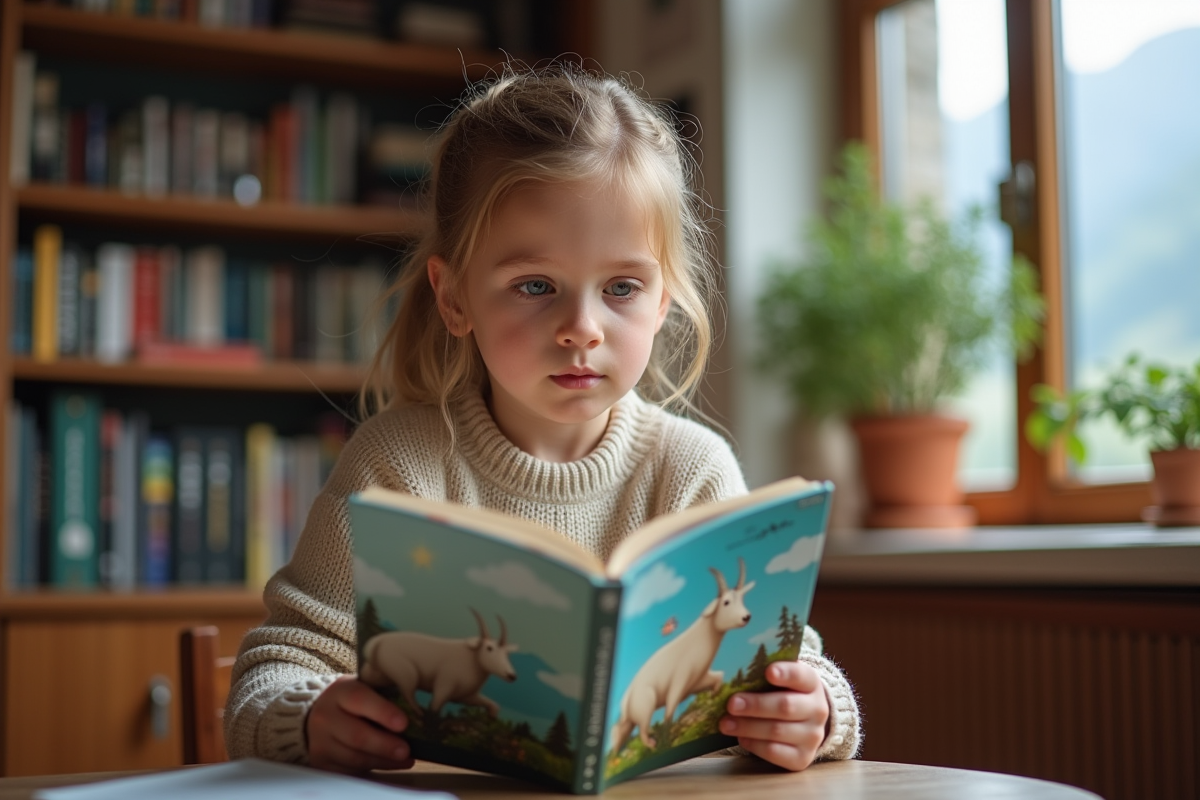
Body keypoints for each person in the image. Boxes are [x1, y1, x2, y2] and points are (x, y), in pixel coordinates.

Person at [225, 61, 860, 776]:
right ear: (455, 296)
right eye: (535, 286)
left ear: (661, 302)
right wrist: (308, 717)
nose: (581, 327)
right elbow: (271, 676)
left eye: (622, 287)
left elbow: (791, 665)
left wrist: (819, 712)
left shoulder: (693, 467)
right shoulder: (394, 463)